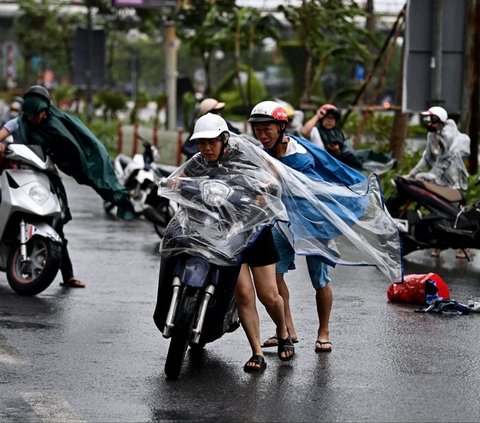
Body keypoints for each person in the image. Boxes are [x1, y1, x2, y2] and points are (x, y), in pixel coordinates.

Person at [156, 113, 294, 372]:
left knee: (269, 295)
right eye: (201, 143)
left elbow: (271, 179)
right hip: (225, 237)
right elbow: (181, 176)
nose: (206, 149)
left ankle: (283, 330)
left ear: (223, 139)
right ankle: (257, 352)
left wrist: (264, 192)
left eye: (212, 143)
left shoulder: (243, 156)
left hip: (254, 231)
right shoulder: (198, 162)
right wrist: (173, 182)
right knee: (242, 293)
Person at [248, 100, 378, 353]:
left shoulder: (298, 155)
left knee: (319, 280)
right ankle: (287, 329)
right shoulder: (265, 152)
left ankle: (323, 331)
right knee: (274, 276)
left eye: (268, 129)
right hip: (284, 222)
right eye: (258, 130)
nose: (262, 135)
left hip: (314, 222)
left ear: (281, 127)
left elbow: (277, 178)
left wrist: (267, 185)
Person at [0, 85, 135, 288]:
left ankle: (68, 275)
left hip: (42, 177)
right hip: (14, 174)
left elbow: (82, 146)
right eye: (34, 114)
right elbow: (2, 134)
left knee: (57, 223)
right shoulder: (17, 123)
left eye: (41, 113)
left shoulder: (60, 123)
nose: (38, 118)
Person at [393, 106, 471, 258]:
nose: (428, 122)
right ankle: (439, 244)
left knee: (454, 212)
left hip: (452, 180)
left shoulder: (449, 135)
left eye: (431, 119)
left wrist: (430, 175)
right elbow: (426, 158)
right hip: (438, 179)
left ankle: (464, 245)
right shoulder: (432, 136)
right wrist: (412, 174)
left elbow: (444, 160)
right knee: (436, 210)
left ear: (438, 120)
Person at [301, 103, 363, 170]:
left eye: (332, 118)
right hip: (318, 166)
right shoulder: (315, 130)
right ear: (322, 119)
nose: (329, 120)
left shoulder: (338, 134)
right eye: (327, 117)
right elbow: (304, 132)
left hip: (335, 168)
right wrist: (318, 116)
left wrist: (337, 151)